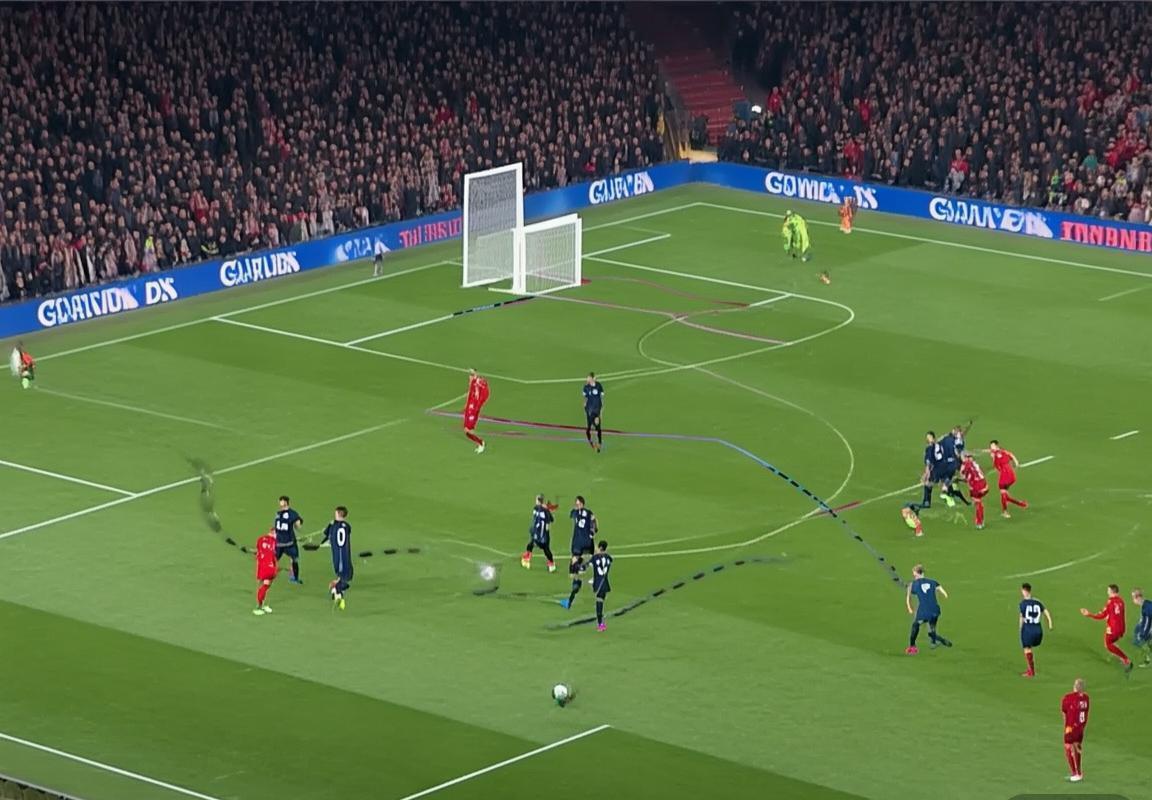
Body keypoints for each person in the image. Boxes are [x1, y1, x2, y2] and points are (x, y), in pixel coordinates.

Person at [1079, 584, 1133, 674]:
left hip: (1113, 629)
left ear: (1112, 591)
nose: (1107, 592)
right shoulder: (1121, 601)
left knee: (1108, 645)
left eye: (1108, 590)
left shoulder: (1110, 602)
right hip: (1121, 628)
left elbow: (1102, 615)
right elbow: (1119, 614)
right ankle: (1119, 653)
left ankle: (1126, 660)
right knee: (1112, 642)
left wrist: (1089, 614)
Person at [905, 563, 953, 654]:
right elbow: (943, 591)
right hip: (935, 610)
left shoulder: (913, 584)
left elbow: (908, 597)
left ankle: (912, 646)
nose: (914, 577)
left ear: (917, 574)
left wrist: (909, 608)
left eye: (915, 575)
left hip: (924, 611)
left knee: (915, 625)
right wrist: (945, 595)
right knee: (932, 628)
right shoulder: (933, 582)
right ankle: (934, 641)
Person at [1019, 582, 1053, 677]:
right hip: (1038, 630)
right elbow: (1046, 612)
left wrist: (1021, 628)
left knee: (1027, 649)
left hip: (1028, 629)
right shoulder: (1038, 602)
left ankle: (1031, 671)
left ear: (1025, 591)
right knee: (1030, 647)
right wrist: (1050, 624)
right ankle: (1030, 669)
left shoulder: (1023, 604)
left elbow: (1022, 617)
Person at [322, 506, 352, 610]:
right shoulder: (347, 526)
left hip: (337, 556)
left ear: (338, 514)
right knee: (346, 576)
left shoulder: (332, 525)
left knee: (343, 576)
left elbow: (326, 535)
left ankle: (337, 592)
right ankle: (337, 592)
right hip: (345, 555)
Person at [1060, 678, 1090, 782]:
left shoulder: (1069, 697)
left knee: (1068, 747)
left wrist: (1066, 726)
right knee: (1077, 747)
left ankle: (1076, 773)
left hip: (1071, 727)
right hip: (1081, 727)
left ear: (1075, 687)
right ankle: (1078, 772)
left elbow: (1064, 712)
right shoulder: (1086, 698)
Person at [988, 440, 1028, 517]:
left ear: (996, 446)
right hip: (1011, 475)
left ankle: (1005, 512)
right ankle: (1021, 504)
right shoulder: (1003, 451)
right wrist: (1016, 463)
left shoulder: (996, 454)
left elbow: (996, 464)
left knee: (1003, 493)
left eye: (992, 446)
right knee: (1005, 495)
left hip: (1005, 475)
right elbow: (1011, 455)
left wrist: (993, 457)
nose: (991, 447)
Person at [521, 494, 558, 572]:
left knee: (542, 547)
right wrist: (548, 510)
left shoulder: (537, 509)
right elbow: (551, 520)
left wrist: (547, 510)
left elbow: (547, 520)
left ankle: (550, 563)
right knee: (537, 545)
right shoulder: (542, 510)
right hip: (540, 532)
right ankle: (551, 564)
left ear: (538, 501)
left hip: (541, 533)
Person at [274, 495, 304, 584]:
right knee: (275, 559)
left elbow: (297, 526)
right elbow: (298, 527)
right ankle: (294, 578)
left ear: (286, 502)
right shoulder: (282, 513)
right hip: (283, 542)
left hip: (285, 542)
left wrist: (298, 523)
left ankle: (294, 578)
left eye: (281, 501)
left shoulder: (287, 514)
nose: (279, 503)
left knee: (293, 560)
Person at [959, 452, 990, 529]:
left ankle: (979, 522)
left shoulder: (965, 465)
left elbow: (964, 477)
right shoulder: (975, 463)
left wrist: (958, 479)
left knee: (977, 503)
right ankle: (981, 520)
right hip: (984, 484)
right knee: (979, 502)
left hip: (976, 486)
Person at [921, 431, 950, 509]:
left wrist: (926, 475)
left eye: (929, 437)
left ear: (932, 438)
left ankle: (926, 502)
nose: (927, 439)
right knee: (946, 480)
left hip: (936, 469)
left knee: (928, 483)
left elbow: (928, 464)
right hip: (944, 466)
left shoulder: (929, 449)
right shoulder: (939, 444)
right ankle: (946, 492)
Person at [464, 368, 490, 453]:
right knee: (470, 430)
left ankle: (481, 443)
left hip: (471, 411)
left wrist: (473, 374)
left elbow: (473, 387)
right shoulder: (478, 386)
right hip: (473, 410)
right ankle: (479, 443)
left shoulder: (475, 390)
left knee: (467, 431)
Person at [253, 528, 278, 616]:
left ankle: (261, 605)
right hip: (269, 566)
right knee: (265, 586)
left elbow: (258, 551)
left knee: (261, 585)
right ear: (274, 533)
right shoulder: (275, 542)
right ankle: (259, 607)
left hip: (261, 566)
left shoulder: (260, 539)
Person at [590, 540, 613, 632]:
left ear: (600, 547)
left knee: (599, 604)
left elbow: (587, 565)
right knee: (600, 602)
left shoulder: (595, 558)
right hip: (605, 583)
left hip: (599, 584)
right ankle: (601, 623)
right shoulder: (609, 558)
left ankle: (601, 625)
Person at [582, 372, 605, 452]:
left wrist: (600, 413)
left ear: (592, 378)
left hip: (597, 410)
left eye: (588, 377)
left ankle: (599, 443)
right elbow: (585, 398)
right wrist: (585, 406)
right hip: (589, 410)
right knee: (588, 428)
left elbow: (602, 398)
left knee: (598, 427)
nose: (587, 379)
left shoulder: (599, 385)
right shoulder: (586, 387)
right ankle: (591, 443)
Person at [1132, 588, 1152, 666]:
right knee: (1137, 632)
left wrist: (1143, 635)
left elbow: (1148, 623)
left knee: (1142, 641)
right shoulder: (1146, 603)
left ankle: (1148, 660)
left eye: (1133, 598)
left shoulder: (1146, 608)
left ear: (1138, 598)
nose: (1133, 600)